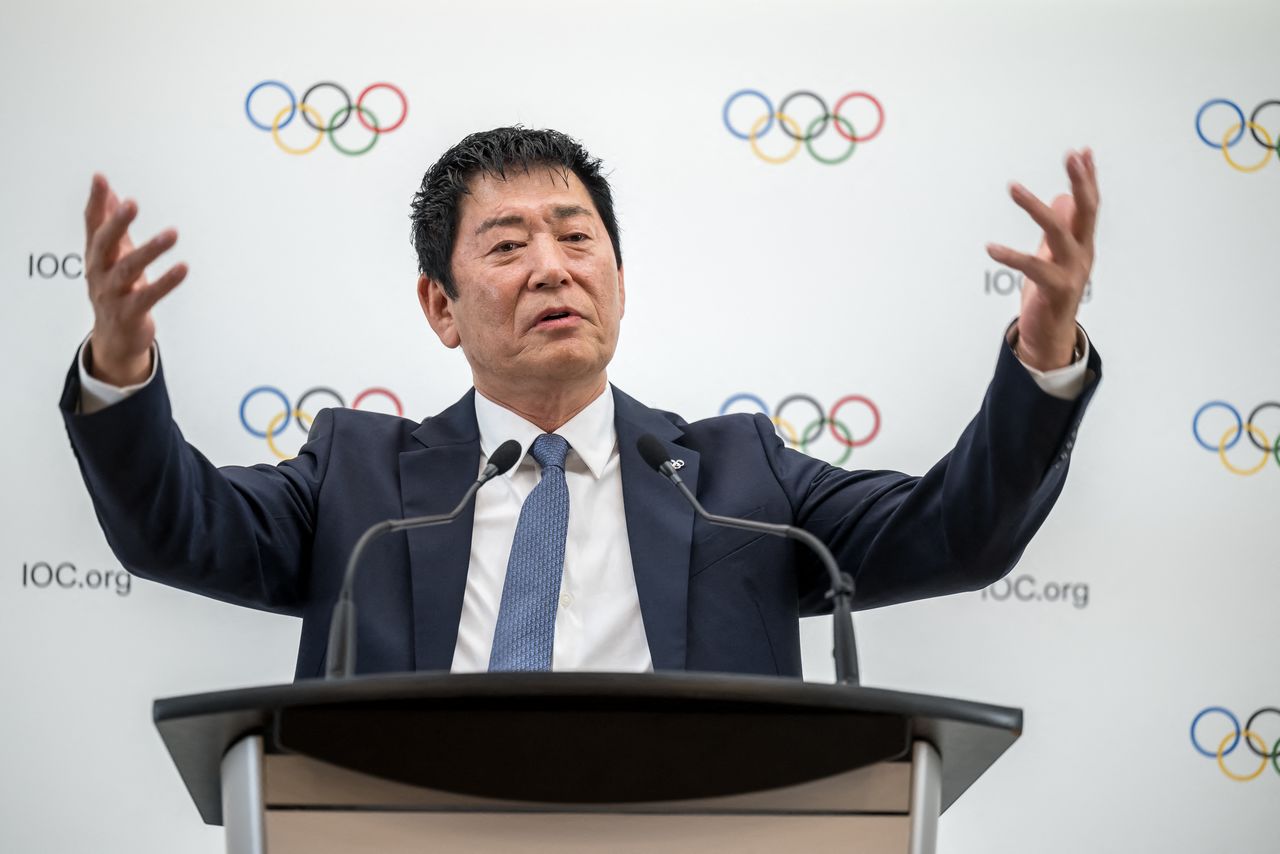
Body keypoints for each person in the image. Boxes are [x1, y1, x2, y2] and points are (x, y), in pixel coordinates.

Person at [61, 127, 1101, 680]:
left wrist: (1043, 349)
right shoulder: (357, 477)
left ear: (618, 279)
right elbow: (173, 528)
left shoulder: (739, 475)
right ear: (441, 306)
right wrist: (119, 360)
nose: (552, 267)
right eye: (507, 245)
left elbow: (955, 533)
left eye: (575, 237)